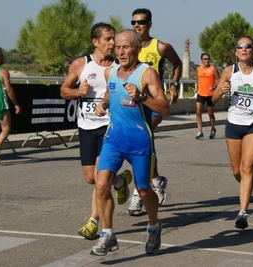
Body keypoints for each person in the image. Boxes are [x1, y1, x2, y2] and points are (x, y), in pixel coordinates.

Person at [91, 29, 170, 256]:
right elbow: (110, 92)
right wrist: (103, 105)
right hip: (114, 138)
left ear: (137, 48)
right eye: (117, 47)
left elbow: (164, 108)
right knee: (101, 182)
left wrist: (142, 97)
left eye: (126, 47)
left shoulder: (147, 74)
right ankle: (107, 235)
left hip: (139, 141)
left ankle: (154, 227)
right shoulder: (111, 72)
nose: (121, 51)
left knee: (144, 190)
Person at [60, 22, 127, 241]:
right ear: (95, 42)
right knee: (91, 178)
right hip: (86, 126)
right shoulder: (81, 64)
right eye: (108, 39)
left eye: (113, 38)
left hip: (110, 127)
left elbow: (117, 92)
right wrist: (76, 91)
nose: (112, 43)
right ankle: (121, 182)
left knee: (100, 176)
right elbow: (63, 90)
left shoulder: (118, 67)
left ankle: (94, 223)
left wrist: (106, 102)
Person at [127, 8, 182, 215]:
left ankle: (137, 193)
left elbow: (177, 63)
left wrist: (174, 85)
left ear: (150, 24)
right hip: (133, 103)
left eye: (140, 22)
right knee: (144, 145)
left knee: (143, 143)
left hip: (153, 103)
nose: (136, 25)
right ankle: (156, 180)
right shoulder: (128, 47)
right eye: (133, 22)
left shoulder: (161, 47)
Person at [212, 36, 253, 229]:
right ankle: (245, 187)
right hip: (234, 123)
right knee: (237, 171)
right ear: (236, 51)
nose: (244, 49)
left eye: (248, 46)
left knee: (247, 167)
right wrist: (221, 91)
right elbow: (213, 98)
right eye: (240, 47)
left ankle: (243, 212)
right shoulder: (229, 71)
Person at [195, 53, 220, 139]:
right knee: (198, 112)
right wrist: (196, 88)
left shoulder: (213, 69)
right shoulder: (198, 68)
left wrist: (214, 87)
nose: (207, 60)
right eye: (205, 59)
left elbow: (218, 79)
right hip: (201, 93)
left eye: (208, 59)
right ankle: (199, 131)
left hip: (210, 94)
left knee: (210, 113)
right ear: (201, 60)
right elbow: (197, 79)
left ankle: (213, 129)